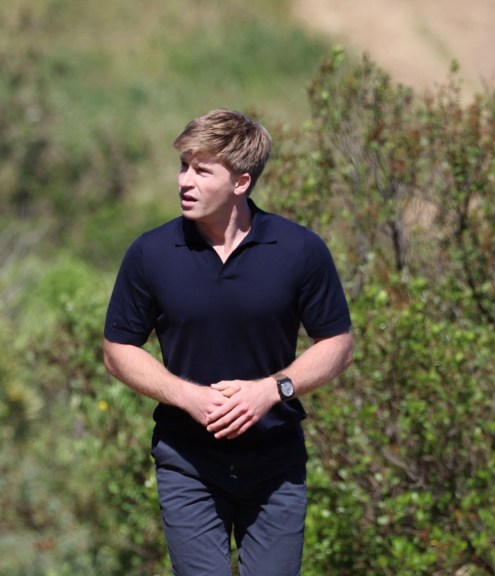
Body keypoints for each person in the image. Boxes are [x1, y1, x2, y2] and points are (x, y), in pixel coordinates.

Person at [102, 109, 353, 575]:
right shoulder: (150, 253)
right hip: (187, 463)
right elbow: (118, 350)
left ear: (241, 182)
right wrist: (188, 397)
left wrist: (271, 390)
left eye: (202, 170)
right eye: (183, 166)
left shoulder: (300, 250)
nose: (185, 181)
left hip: (276, 463)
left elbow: (337, 343)